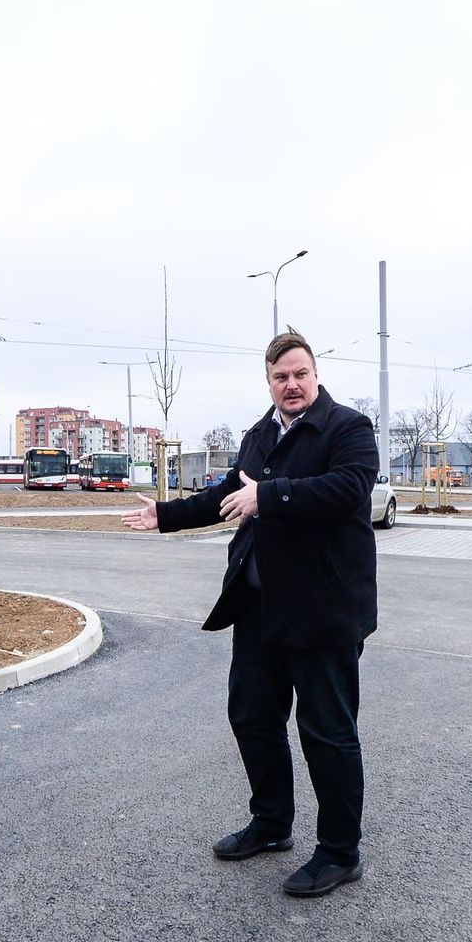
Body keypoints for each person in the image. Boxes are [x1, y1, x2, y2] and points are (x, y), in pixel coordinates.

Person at [123, 328, 378, 897]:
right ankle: (272, 823)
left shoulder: (349, 429)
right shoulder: (258, 435)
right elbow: (226, 495)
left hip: (324, 608)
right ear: (268, 382)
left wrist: (272, 494)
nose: (291, 385)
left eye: (300, 374)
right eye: (280, 377)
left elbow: (347, 490)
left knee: (327, 732)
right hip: (261, 605)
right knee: (253, 716)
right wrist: (165, 515)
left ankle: (340, 851)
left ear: (316, 375)